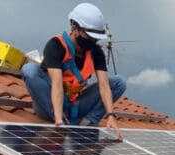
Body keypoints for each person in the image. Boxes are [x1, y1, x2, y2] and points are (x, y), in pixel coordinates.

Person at [21, 2, 126, 140]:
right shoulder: (56, 45)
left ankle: (88, 121)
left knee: (119, 82)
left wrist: (111, 115)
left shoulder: (96, 52)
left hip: (75, 105)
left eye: (96, 39)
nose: (93, 42)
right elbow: (57, 84)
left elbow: (104, 86)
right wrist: (58, 121)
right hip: (50, 104)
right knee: (29, 70)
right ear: (74, 29)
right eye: (90, 37)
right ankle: (62, 120)